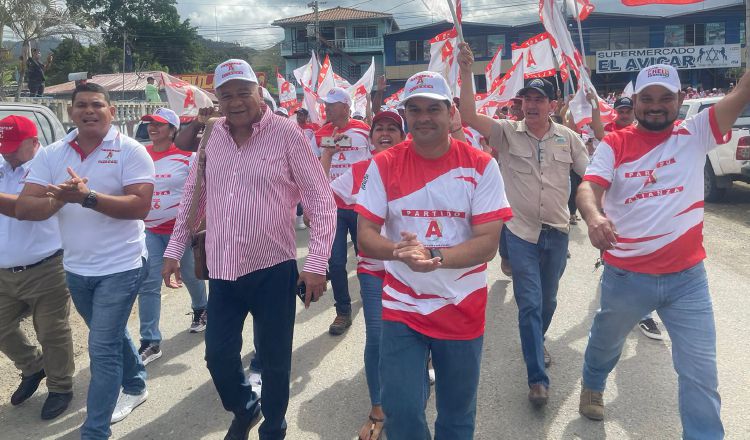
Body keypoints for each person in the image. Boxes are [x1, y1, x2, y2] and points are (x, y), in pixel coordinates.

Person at [161, 59, 336, 440]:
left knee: (274, 361)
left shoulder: (286, 133)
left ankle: (274, 426)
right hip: (223, 270)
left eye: (244, 92)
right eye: (227, 95)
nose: (236, 101)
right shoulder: (211, 136)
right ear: (218, 100)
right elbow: (195, 195)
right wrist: (174, 250)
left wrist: (317, 262)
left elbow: (321, 201)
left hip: (273, 268)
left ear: (259, 92)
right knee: (218, 357)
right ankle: (244, 406)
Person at [576, 64, 745, 438]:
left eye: (665, 98)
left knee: (700, 372)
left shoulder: (697, 132)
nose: (656, 106)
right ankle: (593, 380)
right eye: (647, 99)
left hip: (688, 281)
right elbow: (587, 188)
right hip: (626, 276)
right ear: (634, 102)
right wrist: (593, 218)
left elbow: (740, 94)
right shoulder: (615, 143)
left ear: (681, 100)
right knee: (607, 341)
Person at [356, 70, 512, 439]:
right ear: (405, 113)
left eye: (433, 108)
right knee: (402, 410)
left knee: (457, 415)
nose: (423, 117)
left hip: (462, 307)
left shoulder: (481, 165)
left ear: (450, 111)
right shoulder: (384, 164)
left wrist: (435, 255)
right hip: (402, 307)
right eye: (414, 109)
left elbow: (488, 242)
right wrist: (399, 250)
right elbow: (365, 235)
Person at [16, 82, 155, 439]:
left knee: (101, 347)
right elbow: (25, 207)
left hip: (122, 266)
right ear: (70, 112)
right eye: (81, 105)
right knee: (106, 334)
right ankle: (137, 382)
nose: (89, 110)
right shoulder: (52, 154)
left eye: (97, 104)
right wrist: (62, 199)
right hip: (76, 269)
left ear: (111, 111)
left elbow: (140, 206)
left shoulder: (131, 150)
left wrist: (88, 197)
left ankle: (94, 431)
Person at [458, 43, 589, 406]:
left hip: (558, 232)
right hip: (520, 234)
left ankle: (536, 340)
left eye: (539, 99)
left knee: (548, 300)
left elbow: (591, 177)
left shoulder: (569, 138)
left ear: (553, 105)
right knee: (529, 303)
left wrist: (602, 212)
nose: (531, 105)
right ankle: (537, 378)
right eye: (526, 99)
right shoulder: (506, 132)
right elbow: (468, 114)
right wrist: (467, 71)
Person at [327, 110, 405, 440]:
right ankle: (378, 406)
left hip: (414, 270)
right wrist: (327, 155)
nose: (385, 133)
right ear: (371, 137)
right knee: (377, 335)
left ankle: (416, 372)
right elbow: (321, 197)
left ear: (404, 135)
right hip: (374, 271)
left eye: (392, 128)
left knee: (415, 332)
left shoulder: (417, 166)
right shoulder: (359, 171)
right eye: (380, 129)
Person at [0, 115, 75, 420]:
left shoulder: (49, 168)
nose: (6, 152)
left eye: (12, 147)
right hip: (5, 271)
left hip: (46, 267)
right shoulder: (2, 166)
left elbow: (28, 209)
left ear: (33, 142)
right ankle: (33, 366)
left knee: (52, 332)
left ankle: (60, 387)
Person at [136, 107, 208, 366]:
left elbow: (200, 192)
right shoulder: (140, 155)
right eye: (150, 124)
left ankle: (201, 309)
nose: (152, 129)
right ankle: (150, 341)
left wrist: (198, 223)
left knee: (190, 274)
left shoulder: (187, 157)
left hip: (180, 231)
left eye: (159, 125)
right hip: (150, 231)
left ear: (173, 130)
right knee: (149, 283)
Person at [311, 86, 372, 335]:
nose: (326, 107)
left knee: (366, 258)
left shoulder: (364, 131)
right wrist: (327, 154)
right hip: (332, 206)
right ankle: (342, 311)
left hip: (361, 205)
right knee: (336, 262)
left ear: (346, 107)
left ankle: (370, 298)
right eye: (326, 103)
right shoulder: (319, 134)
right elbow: (313, 170)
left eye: (332, 104)